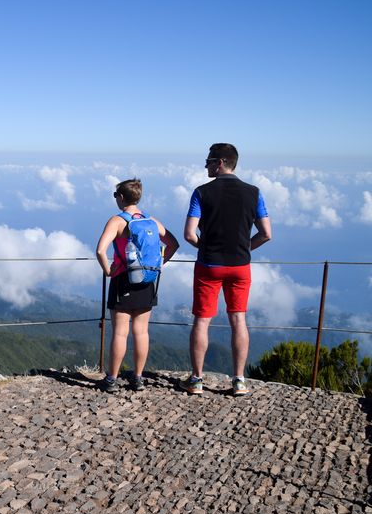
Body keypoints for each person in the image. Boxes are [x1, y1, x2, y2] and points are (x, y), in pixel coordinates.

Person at [181, 143, 272, 396]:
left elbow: (189, 234)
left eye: (209, 161)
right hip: (240, 266)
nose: (206, 166)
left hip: (209, 265)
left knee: (202, 320)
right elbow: (266, 234)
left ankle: (197, 380)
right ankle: (239, 380)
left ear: (220, 162)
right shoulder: (254, 193)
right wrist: (244, 248)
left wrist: (207, 248)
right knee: (238, 319)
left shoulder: (201, 192)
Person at [96, 178, 179, 392]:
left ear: (121, 197)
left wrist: (108, 270)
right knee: (141, 332)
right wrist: (159, 263)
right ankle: (138, 378)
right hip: (148, 280)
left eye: (116, 195)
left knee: (120, 333)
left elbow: (100, 251)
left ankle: (112, 380)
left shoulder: (117, 221)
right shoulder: (151, 221)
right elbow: (173, 243)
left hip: (123, 279)